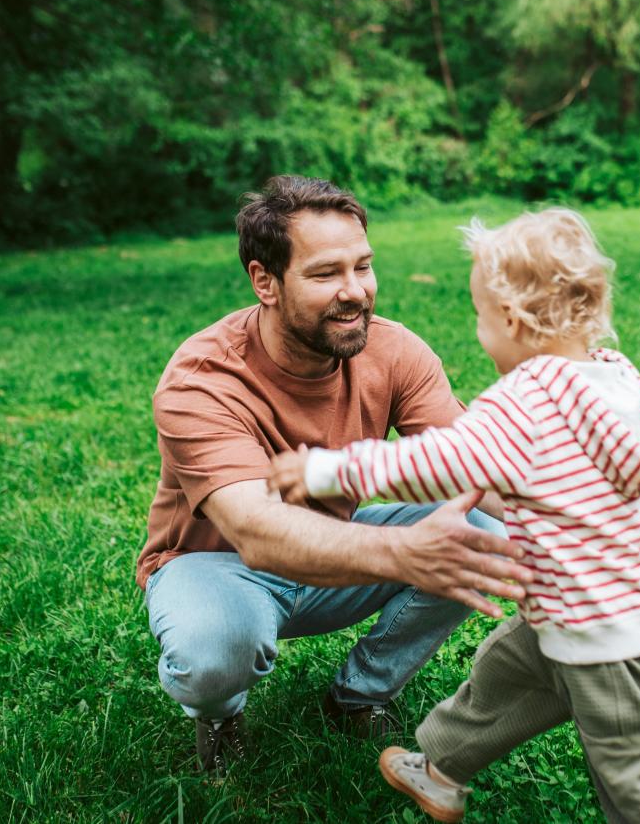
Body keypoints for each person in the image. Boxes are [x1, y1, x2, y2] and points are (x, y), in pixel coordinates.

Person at [268, 208, 640, 822]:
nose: (481, 331)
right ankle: (438, 768)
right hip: (567, 604)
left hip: (608, 635)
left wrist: (326, 471)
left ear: (511, 319)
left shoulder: (524, 402)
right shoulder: (618, 380)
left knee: (636, 772)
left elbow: (437, 462)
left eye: (481, 318)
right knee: (504, 673)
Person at [137, 175, 532, 774]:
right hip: (221, 568)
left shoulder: (395, 352)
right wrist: (406, 551)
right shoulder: (202, 379)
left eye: (364, 267)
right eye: (326, 275)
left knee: (485, 530)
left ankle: (360, 692)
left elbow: (473, 469)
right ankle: (219, 713)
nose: (356, 293)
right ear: (264, 282)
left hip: (335, 563)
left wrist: (576, 515)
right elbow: (257, 532)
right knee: (214, 649)